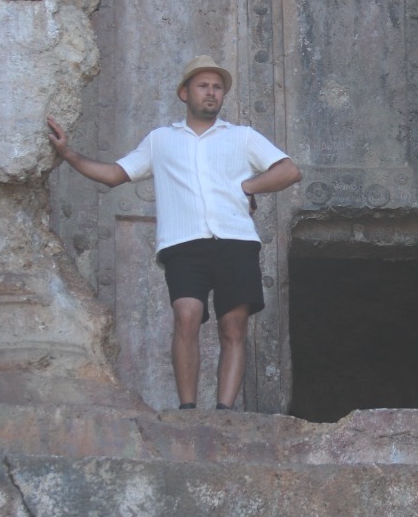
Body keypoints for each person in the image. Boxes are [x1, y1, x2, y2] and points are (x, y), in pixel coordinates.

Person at [47, 54, 301, 410]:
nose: (211, 93)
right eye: (203, 86)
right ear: (185, 93)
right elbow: (115, 174)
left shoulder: (242, 137)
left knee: (234, 326)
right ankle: (188, 410)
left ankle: (225, 412)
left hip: (236, 240)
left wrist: (247, 187)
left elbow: (289, 170)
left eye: (217, 88)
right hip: (183, 243)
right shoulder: (160, 140)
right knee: (186, 317)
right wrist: (69, 155)